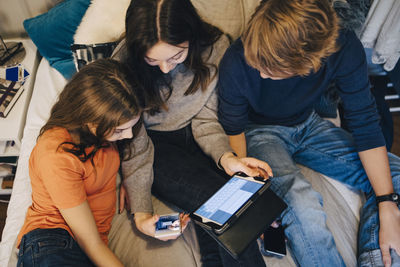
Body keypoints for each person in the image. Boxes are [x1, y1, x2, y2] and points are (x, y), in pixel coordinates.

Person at [217, 0, 400, 266]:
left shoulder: (344, 47)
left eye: (269, 70)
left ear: (309, 65)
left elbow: (365, 123)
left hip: (310, 125)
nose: (260, 73)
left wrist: (386, 203)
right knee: (301, 203)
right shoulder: (236, 60)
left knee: (394, 177)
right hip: (258, 132)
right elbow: (233, 129)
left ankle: (375, 258)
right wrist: (247, 189)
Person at [114, 0, 273, 265]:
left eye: (176, 56)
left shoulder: (216, 47)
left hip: (199, 137)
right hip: (155, 145)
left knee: (220, 217)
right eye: (152, 60)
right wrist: (140, 209)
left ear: (191, 36)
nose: (165, 68)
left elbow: (207, 118)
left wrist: (227, 158)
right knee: (227, 208)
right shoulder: (123, 66)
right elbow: (135, 143)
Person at [16, 59, 144, 267]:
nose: (129, 135)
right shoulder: (57, 155)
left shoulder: (100, 130)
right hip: (53, 241)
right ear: (88, 118)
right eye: (120, 131)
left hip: (83, 246)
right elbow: (90, 241)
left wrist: (128, 179)